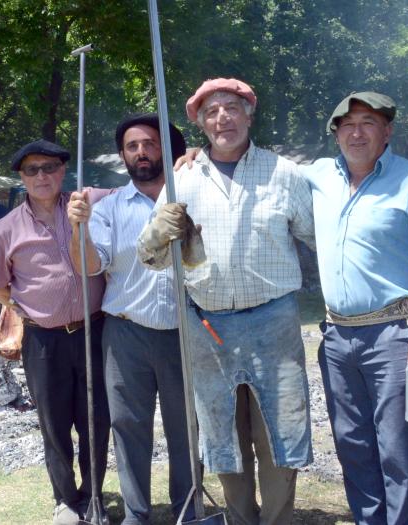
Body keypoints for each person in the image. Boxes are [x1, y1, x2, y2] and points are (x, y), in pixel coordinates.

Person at [138, 78, 315, 525]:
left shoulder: (284, 173)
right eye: (211, 111)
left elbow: (317, 239)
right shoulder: (181, 179)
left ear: (249, 114)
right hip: (207, 324)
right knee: (221, 433)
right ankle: (239, 518)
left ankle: (277, 519)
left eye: (232, 108)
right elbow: (153, 258)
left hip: (274, 321)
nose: (223, 118)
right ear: (199, 122)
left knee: (279, 429)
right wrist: (161, 233)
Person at [304, 92, 408, 525]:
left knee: (398, 448)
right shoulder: (316, 176)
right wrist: (196, 155)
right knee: (351, 445)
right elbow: (256, 172)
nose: (356, 132)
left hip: (396, 335)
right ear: (335, 134)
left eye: (368, 122)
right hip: (335, 337)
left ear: (387, 130)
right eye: (346, 124)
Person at [67, 114, 193, 525]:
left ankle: (188, 511)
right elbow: (88, 266)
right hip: (125, 334)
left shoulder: (191, 193)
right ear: (122, 155)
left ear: (166, 149)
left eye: (150, 143)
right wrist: (78, 229)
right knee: (128, 429)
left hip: (184, 333)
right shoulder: (108, 208)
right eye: (132, 146)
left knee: (187, 431)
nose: (141, 152)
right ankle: (137, 515)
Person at [0, 139, 112, 525]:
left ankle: (93, 497)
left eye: (50, 167)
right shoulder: (4, 229)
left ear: (62, 171)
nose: (42, 176)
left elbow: (139, 189)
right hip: (44, 340)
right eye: (32, 170)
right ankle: (65, 501)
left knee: (96, 421)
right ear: (21, 178)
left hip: (94, 332)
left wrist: (185, 159)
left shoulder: (87, 203)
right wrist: (26, 308)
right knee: (54, 424)